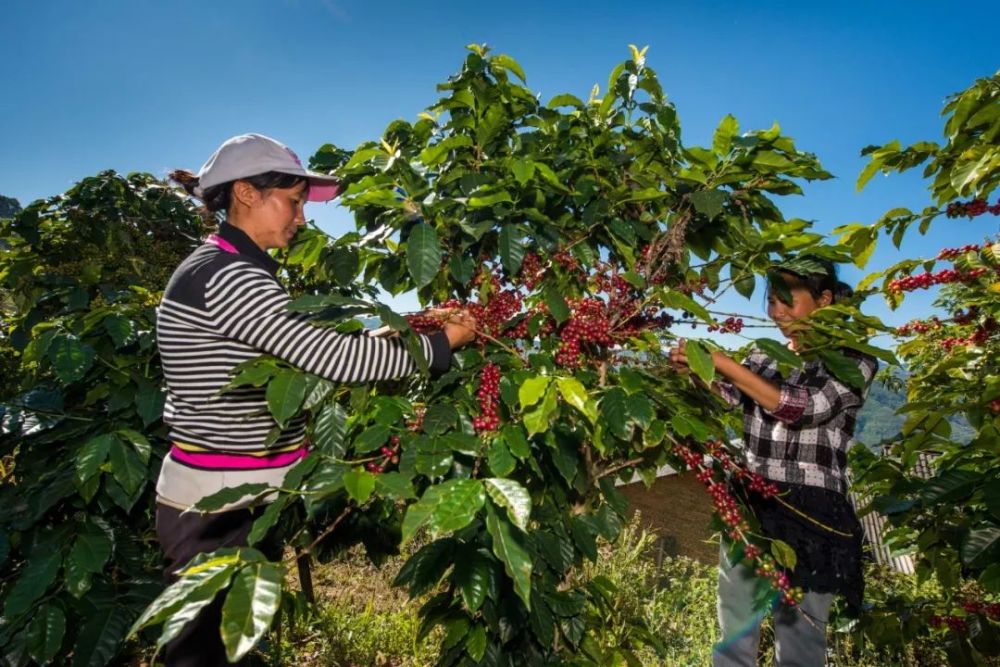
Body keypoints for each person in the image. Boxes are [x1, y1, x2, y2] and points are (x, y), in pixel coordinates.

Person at [156, 133, 476, 666]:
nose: (301, 218)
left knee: (231, 647)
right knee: (201, 656)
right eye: (294, 200)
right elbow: (331, 360)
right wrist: (440, 347)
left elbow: (296, 355)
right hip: (213, 509)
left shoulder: (231, 266)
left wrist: (409, 327)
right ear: (246, 193)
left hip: (235, 497)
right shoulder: (229, 275)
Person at [668, 257, 877, 667]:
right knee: (735, 630)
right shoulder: (766, 356)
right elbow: (732, 396)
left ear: (824, 299)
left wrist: (725, 365)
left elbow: (800, 407)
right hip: (752, 504)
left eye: (788, 300)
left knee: (800, 641)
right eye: (771, 300)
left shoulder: (854, 360)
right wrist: (696, 371)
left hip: (811, 514)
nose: (777, 311)